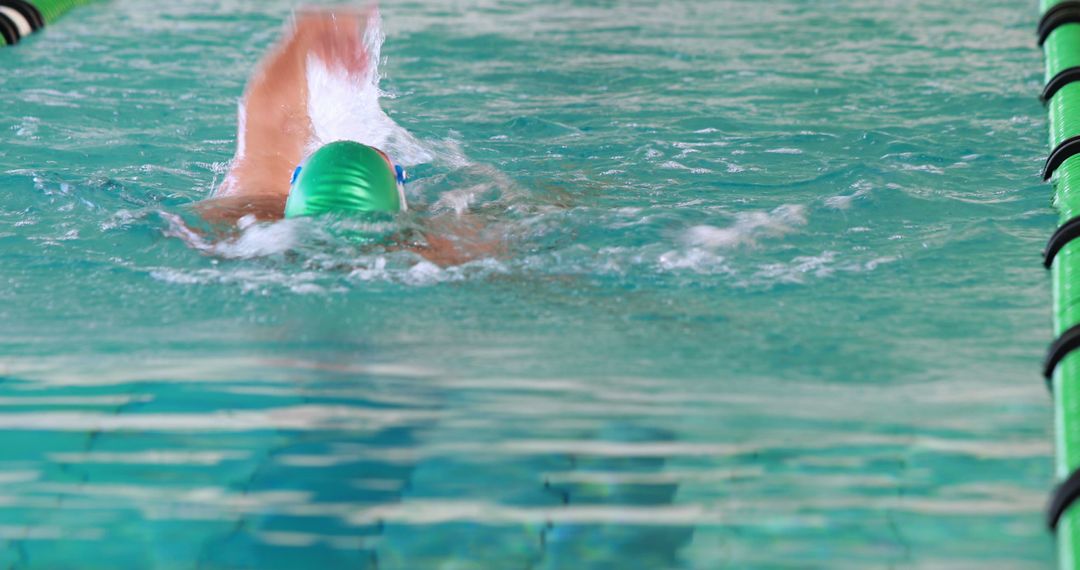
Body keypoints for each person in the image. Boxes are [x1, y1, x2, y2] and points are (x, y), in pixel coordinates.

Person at [195, 7, 495, 264]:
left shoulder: (244, 216)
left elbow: (274, 120)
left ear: (298, 186)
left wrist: (307, 30)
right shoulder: (440, 245)